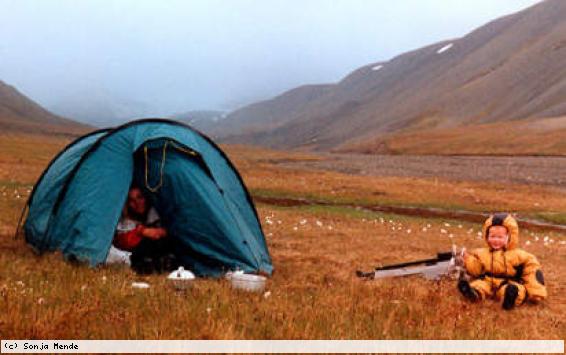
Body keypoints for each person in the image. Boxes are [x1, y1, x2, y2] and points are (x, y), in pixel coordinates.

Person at [457, 213, 547, 310]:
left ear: (510, 237)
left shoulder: (520, 256)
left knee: (517, 289)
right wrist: (468, 259)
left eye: (500, 237)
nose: (496, 240)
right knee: (479, 285)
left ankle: (510, 299)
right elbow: (477, 270)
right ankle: (472, 293)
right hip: (488, 281)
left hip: (508, 282)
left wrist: (536, 292)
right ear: (486, 236)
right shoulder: (481, 253)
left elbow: (532, 271)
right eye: (492, 236)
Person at [114, 185, 176, 274]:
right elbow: (122, 241)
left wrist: (161, 232)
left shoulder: (155, 214)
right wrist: (141, 232)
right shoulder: (125, 222)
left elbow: (166, 232)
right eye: (131, 200)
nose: (137, 203)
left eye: (140, 197)